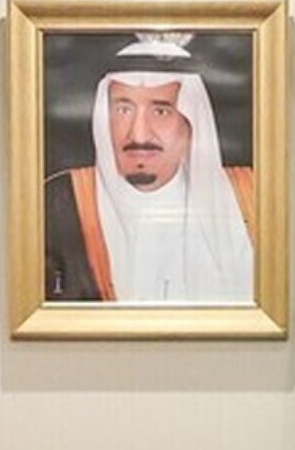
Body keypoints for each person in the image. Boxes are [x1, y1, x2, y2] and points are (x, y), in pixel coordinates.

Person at [43, 33, 256, 303]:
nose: (139, 134)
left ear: (191, 122)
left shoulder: (249, 197)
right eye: (123, 109)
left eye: (161, 111)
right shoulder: (60, 202)